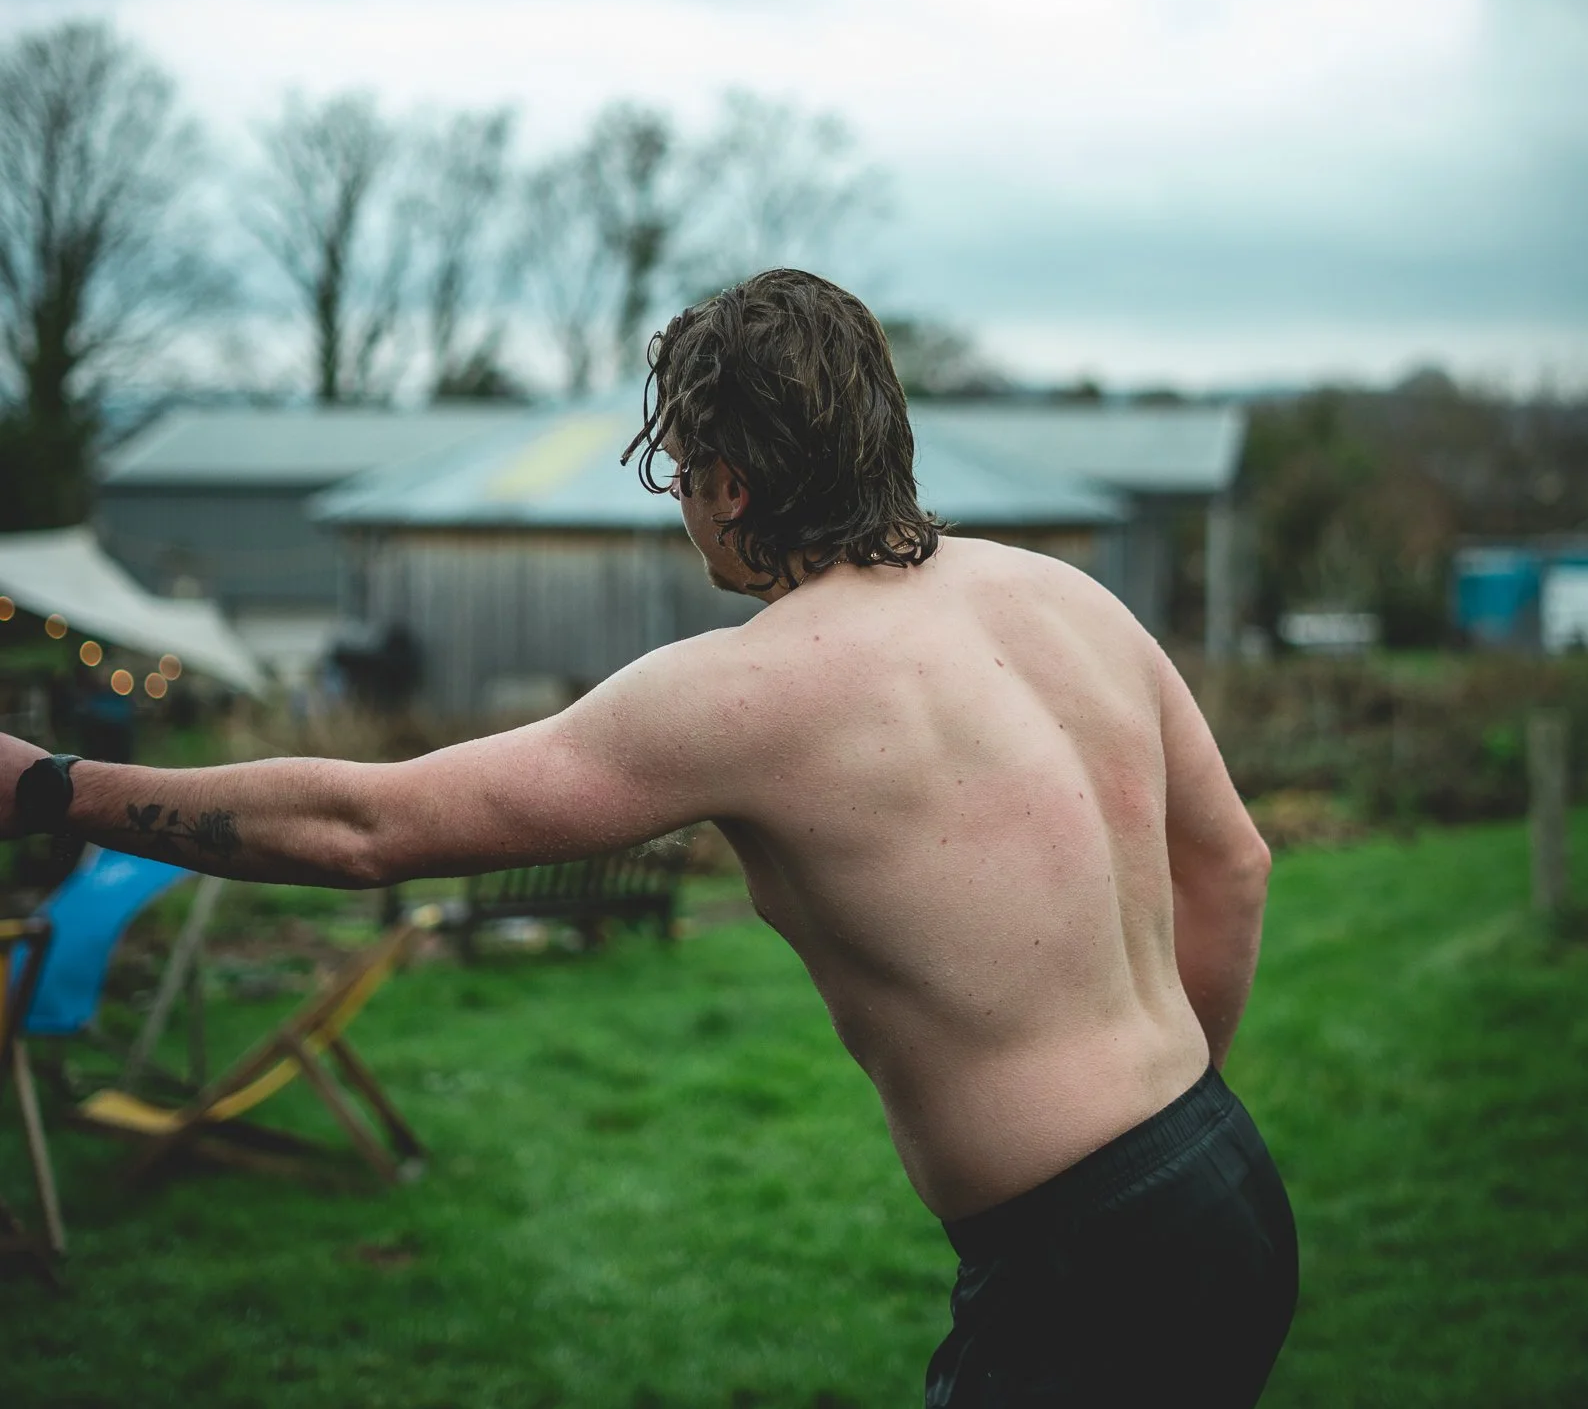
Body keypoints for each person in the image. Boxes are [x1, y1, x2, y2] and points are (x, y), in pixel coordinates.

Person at [0, 270, 1296, 1405]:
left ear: (729, 484)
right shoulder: (1066, 598)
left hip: (1081, 1263)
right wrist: (1166, 1141)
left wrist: (51, 786)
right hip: (1221, 1178)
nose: (684, 501)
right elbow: (1234, 867)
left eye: (680, 471)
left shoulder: (749, 691)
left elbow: (361, 828)